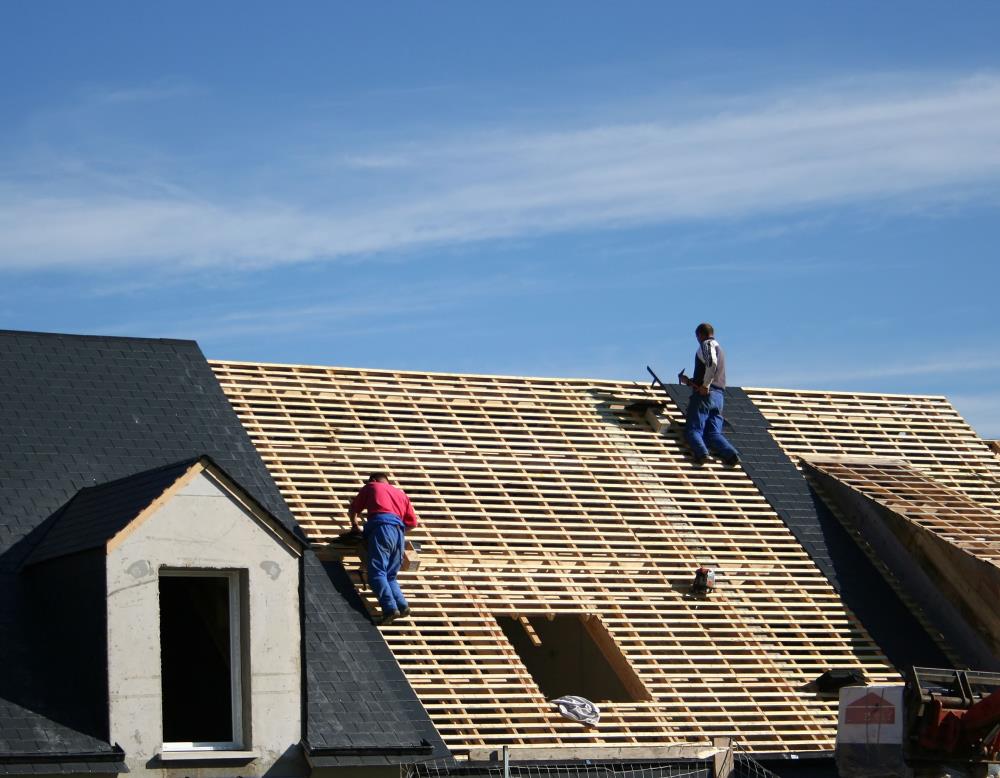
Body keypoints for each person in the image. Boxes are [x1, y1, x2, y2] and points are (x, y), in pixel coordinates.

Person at [349, 473, 418, 624]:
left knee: (377, 573)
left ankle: (390, 608)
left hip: (382, 529)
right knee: (390, 575)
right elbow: (412, 523)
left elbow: (354, 509)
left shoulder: (371, 486)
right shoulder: (401, 494)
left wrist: (354, 526)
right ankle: (402, 605)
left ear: (373, 480)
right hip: (399, 533)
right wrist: (395, 531)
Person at [679, 323, 740, 467]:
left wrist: (705, 385)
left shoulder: (706, 345)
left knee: (693, 430)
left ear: (700, 335)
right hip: (718, 397)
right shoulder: (720, 349)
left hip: (705, 397)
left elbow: (711, 364)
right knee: (713, 433)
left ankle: (702, 454)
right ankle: (731, 455)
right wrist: (688, 381)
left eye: (697, 337)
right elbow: (709, 372)